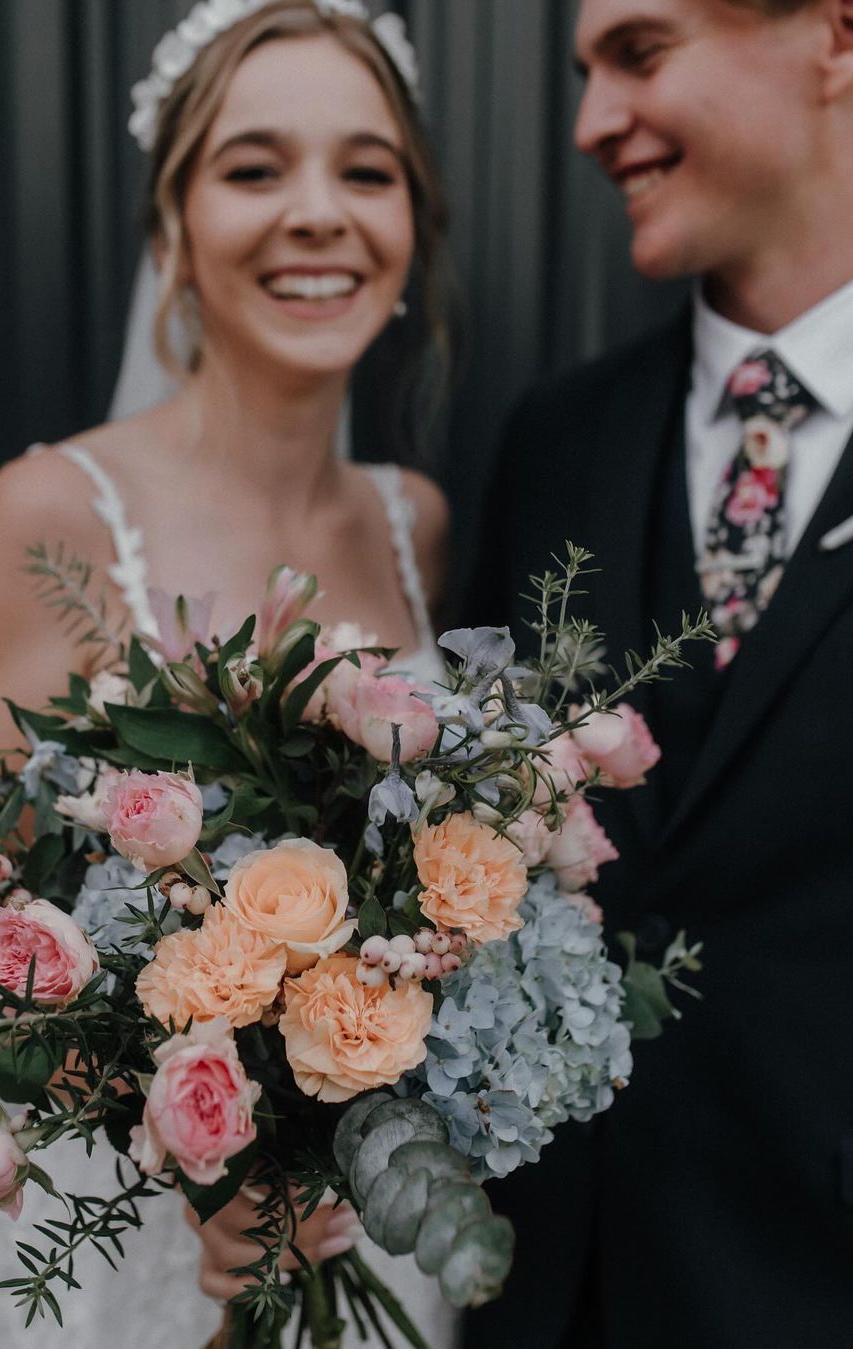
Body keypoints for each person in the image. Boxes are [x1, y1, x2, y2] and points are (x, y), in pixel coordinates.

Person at [0, 4, 461, 1346]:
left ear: (412, 223)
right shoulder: (51, 515)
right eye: (255, 169)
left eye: (366, 171)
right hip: (110, 1254)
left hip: (365, 1234)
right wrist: (208, 1149)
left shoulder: (411, 522)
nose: (320, 213)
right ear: (172, 227)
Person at [461, 1, 853, 1346]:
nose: (588, 124)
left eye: (641, 52)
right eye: (584, 75)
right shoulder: (551, 444)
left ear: (836, 39)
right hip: (554, 1295)